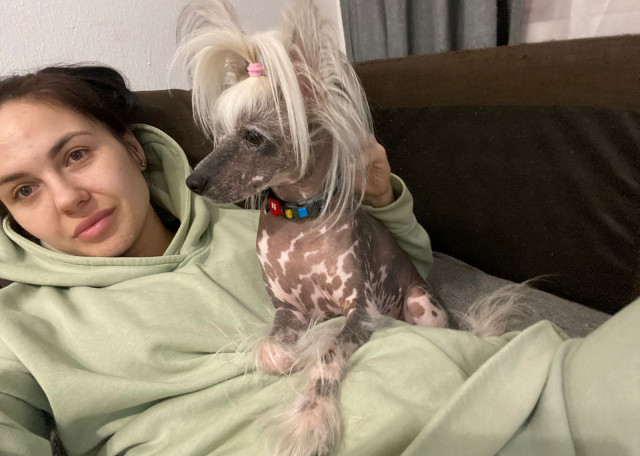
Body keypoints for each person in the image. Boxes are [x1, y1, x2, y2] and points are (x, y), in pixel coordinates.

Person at [0, 66, 638, 456]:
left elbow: (397, 273)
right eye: (23, 189)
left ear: (134, 150)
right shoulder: (19, 326)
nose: (68, 197)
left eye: (76, 154)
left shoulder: (265, 219)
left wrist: (379, 196)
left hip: (514, 387)